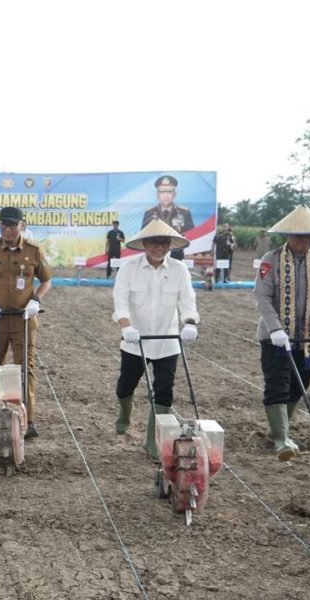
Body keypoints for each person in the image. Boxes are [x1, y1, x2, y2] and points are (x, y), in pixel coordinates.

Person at [255, 205, 310, 461]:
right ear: (288, 236)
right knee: (277, 385)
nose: (303, 241)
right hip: (276, 338)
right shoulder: (271, 260)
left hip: (308, 339)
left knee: (298, 387)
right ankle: (281, 439)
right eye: (298, 236)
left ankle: (281, 429)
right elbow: (262, 296)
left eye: (308, 236)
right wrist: (276, 328)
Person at [111, 220, 199, 456]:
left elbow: (187, 301)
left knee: (164, 391)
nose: (159, 247)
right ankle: (124, 414)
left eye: (164, 243)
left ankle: (153, 440)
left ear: (170, 245)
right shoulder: (129, 269)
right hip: (134, 341)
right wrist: (126, 326)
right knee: (125, 386)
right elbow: (121, 302)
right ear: (144, 244)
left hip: (167, 341)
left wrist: (189, 322)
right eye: (154, 242)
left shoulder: (179, 270)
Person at [0, 206, 52, 439]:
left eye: (13, 225)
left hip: (23, 319)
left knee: (25, 367)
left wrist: (35, 300)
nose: (8, 229)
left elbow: (46, 280)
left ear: (22, 225)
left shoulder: (33, 250)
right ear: (0, 226)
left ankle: (28, 416)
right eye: (4, 225)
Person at [141, 175, 194, 260]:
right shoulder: (149, 213)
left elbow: (192, 234)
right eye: (162, 192)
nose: (166, 195)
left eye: (169, 192)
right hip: (156, 252)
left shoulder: (184, 212)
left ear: (175, 194)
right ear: (157, 195)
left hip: (177, 251)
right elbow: (143, 235)